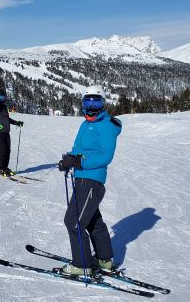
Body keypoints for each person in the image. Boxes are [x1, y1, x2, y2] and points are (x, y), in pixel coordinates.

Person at [57, 85, 122, 275]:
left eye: (96, 101)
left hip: (92, 181)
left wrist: (79, 161)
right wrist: (69, 160)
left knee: (74, 222)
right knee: (93, 221)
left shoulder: (107, 126)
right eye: (88, 101)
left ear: (103, 103)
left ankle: (81, 264)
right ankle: (104, 260)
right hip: (82, 179)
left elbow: (106, 156)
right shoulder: (85, 124)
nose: (91, 106)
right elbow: (78, 149)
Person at [0, 89, 23, 177]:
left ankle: (5, 168)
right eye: (1, 97)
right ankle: (0, 169)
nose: (2, 99)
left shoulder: (4, 107)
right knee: (3, 150)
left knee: (8, 151)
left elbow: (7, 119)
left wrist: (16, 123)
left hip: (6, 132)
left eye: (3, 97)